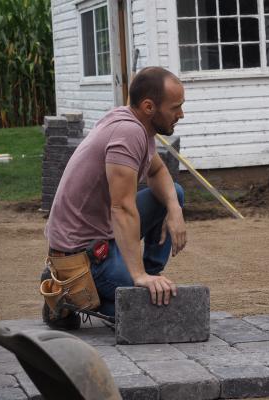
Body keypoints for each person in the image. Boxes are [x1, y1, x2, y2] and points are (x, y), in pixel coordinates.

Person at [42, 67, 187, 330]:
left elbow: (157, 171)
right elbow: (122, 208)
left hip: (104, 237)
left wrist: (174, 209)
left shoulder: (137, 125)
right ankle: (65, 295)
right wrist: (137, 275)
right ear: (148, 107)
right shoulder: (127, 132)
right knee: (144, 312)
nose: (181, 114)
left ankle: (149, 278)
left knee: (173, 193)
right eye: (175, 107)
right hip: (82, 255)